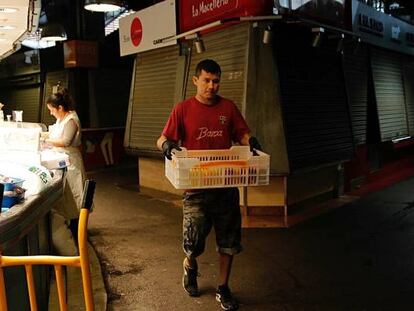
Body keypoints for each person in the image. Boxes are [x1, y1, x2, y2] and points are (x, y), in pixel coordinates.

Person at [157, 59, 262, 311]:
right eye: (206, 80)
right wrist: (167, 146)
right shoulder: (182, 109)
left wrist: (252, 140)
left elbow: (242, 132)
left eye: (216, 81)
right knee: (192, 244)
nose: (211, 86)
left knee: (229, 242)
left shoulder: (228, 107)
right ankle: (190, 266)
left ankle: (223, 288)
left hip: (225, 185)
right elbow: (161, 138)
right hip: (195, 189)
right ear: (196, 80)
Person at [42, 85, 86, 255]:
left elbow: (66, 141)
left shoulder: (72, 120)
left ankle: (78, 235)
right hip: (64, 162)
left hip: (72, 164)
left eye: (52, 110)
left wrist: (46, 142)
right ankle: (75, 231)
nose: (51, 113)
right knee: (69, 200)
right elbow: (55, 134)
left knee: (75, 199)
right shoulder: (62, 119)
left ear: (60, 108)